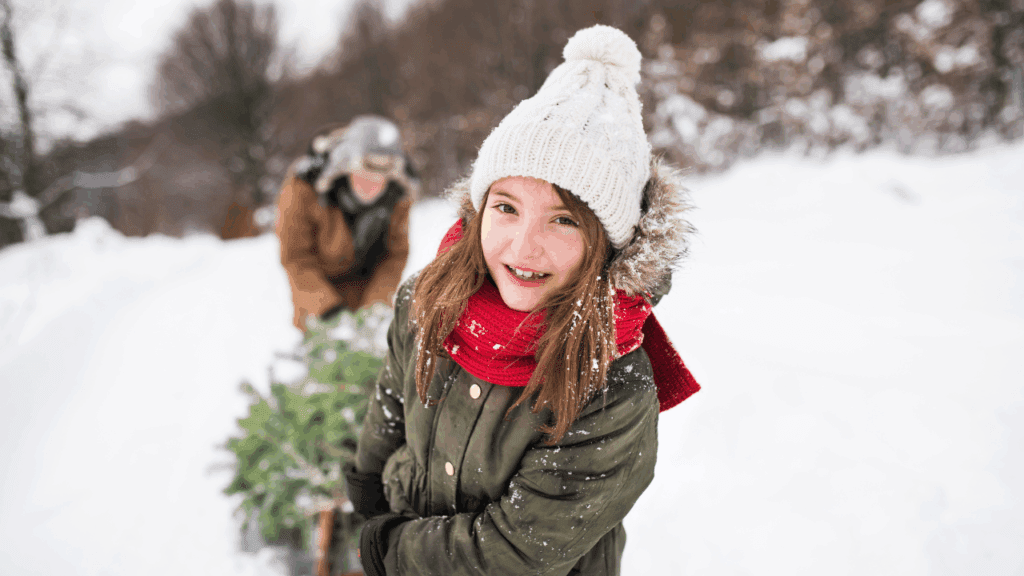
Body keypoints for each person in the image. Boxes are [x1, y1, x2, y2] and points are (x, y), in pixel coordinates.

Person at [343, 26, 701, 576]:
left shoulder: (612, 385)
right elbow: (392, 398)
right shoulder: (428, 297)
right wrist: (368, 486)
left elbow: (516, 552)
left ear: (608, 242)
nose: (522, 246)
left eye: (562, 219)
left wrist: (390, 550)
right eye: (506, 207)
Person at [276, 115, 417, 331]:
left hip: (367, 297)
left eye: (381, 177)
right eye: (365, 174)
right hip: (317, 302)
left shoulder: (397, 197)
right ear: (346, 166)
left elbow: (394, 255)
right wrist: (327, 309)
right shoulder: (303, 189)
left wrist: (376, 307)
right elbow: (296, 258)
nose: (373, 185)